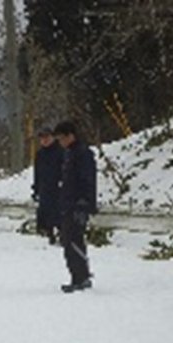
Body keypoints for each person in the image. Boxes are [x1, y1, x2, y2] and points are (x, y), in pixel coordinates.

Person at [53, 121, 97, 293]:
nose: (60, 143)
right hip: (68, 204)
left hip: (78, 206)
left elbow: (88, 181)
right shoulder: (69, 154)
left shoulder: (83, 154)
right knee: (68, 241)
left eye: (62, 139)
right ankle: (76, 276)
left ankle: (82, 277)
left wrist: (84, 204)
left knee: (74, 241)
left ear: (70, 136)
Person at [32, 126, 63, 244]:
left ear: (53, 137)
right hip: (45, 189)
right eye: (42, 138)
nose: (44, 140)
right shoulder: (40, 154)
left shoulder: (61, 152)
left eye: (47, 137)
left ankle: (61, 234)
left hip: (58, 189)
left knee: (59, 214)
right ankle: (49, 234)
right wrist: (36, 189)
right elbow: (37, 173)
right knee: (45, 213)